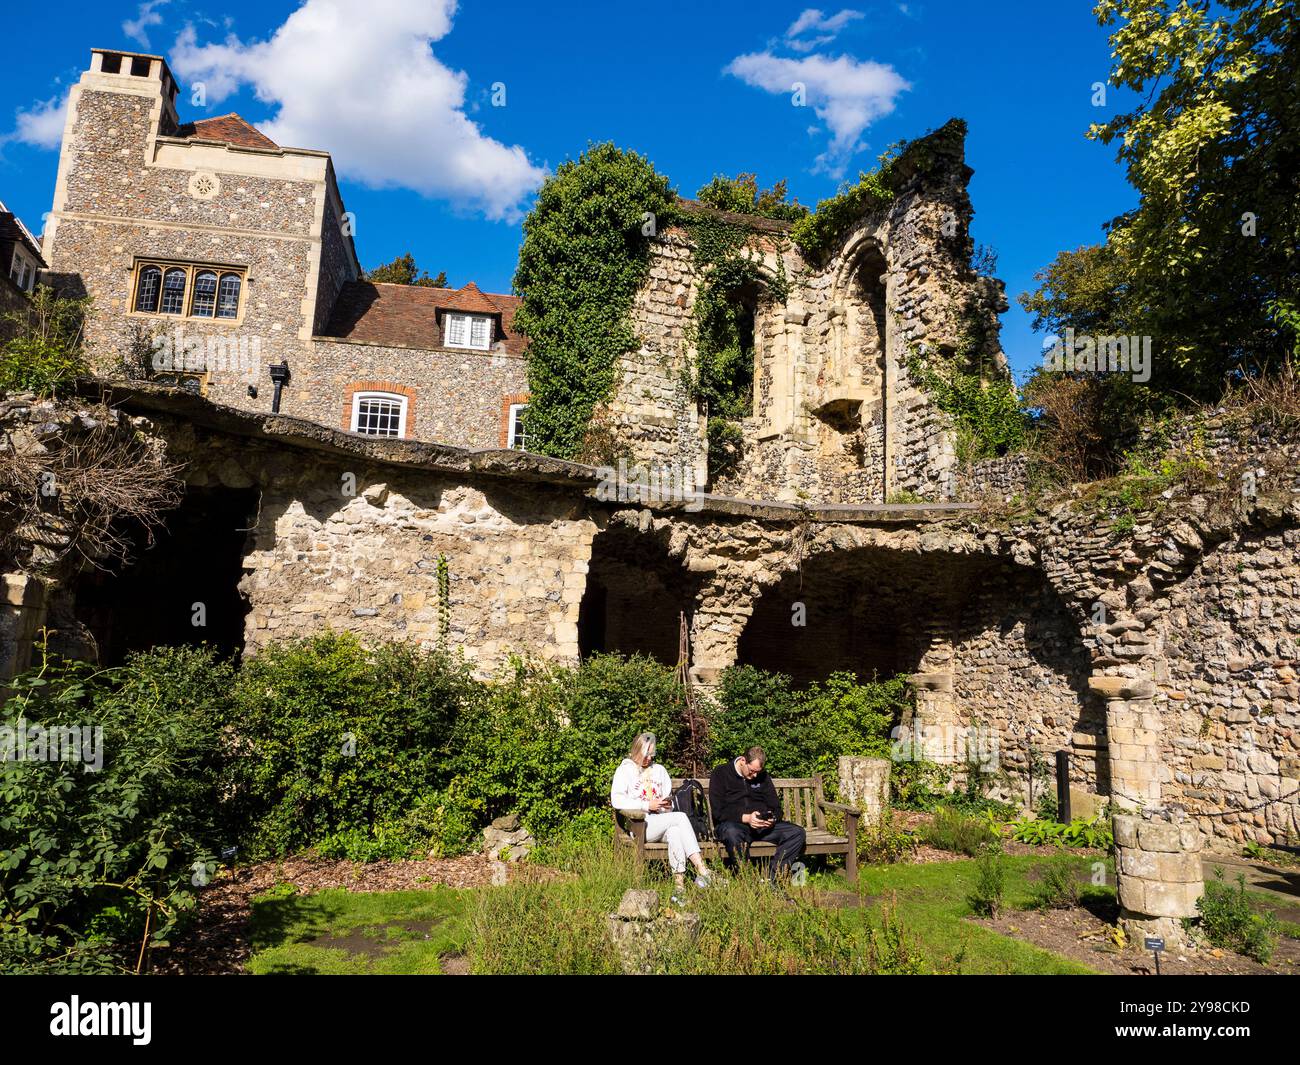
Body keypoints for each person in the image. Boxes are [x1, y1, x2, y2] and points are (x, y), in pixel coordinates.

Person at [610, 732, 713, 899]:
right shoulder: (625, 771)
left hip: (661, 821)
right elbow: (617, 800)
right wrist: (646, 805)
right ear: (636, 751)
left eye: (652, 755)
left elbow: (667, 804)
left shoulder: (659, 771)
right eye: (646, 755)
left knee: (676, 832)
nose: (649, 759)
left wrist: (665, 805)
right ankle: (702, 870)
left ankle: (679, 888)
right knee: (680, 818)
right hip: (640, 825)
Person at [708, 746, 805, 885]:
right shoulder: (721, 773)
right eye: (752, 771)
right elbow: (718, 811)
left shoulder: (763, 776)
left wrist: (772, 819)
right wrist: (747, 818)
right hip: (735, 825)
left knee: (797, 833)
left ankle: (772, 878)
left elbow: (776, 808)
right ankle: (748, 880)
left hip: (762, 827)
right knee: (732, 832)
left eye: (757, 772)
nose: (754, 776)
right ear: (742, 760)